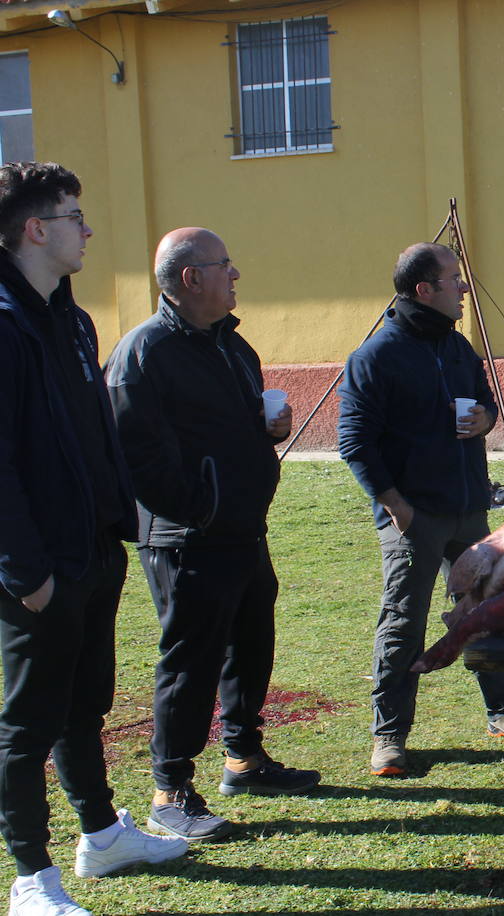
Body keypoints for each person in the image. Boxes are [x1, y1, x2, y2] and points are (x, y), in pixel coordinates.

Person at [0, 162, 186, 915]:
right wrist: (24, 572)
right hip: (36, 568)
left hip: (93, 550)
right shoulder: (4, 326)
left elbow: (95, 432)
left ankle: (102, 836)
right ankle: (31, 880)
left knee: (84, 706)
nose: (88, 230)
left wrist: (120, 521)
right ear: (35, 230)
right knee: (29, 718)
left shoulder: (72, 321)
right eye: (75, 217)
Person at [104, 227, 320, 844]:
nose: (236, 275)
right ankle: (170, 790)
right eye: (224, 265)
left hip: (243, 528)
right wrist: (198, 509)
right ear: (190, 278)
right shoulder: (144, 352)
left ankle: (243, 759)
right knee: (189, 662)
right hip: (185, 537)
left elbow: (237, 428)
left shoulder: (232, 345)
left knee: (250, 646)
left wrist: (269, 430)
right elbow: (135, 455)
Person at [339, 243, 504, 773]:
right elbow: (353, 440)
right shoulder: (376, 356)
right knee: (405, 621)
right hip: (412, 516)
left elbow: (483, 401)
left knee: (486, 607)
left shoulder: (458, 350)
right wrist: (394, 503)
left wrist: (485, 419)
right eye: (453, 279)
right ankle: (389, 736)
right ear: (423, 290)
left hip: (468, 509)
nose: (463, 288)